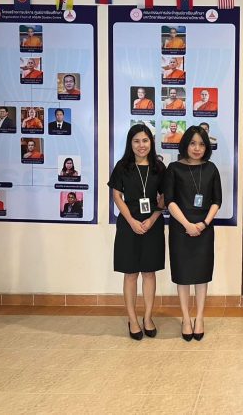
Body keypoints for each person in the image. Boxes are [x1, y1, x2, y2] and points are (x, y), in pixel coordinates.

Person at [108, 124, 167, 340]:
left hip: (152, 225)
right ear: (130, 144)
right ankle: (132, 320)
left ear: (151, 142)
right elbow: (116, 196)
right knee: (131, 273)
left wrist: (152, 219)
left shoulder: (159, 167)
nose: (141, 145)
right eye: (136, 141)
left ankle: (148, 317)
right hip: (128, 225)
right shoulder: (122, 166)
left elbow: (164, 198)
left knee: (149, 273)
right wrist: (132, 221)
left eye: (145, 140)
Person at [163, 125, 222, 341]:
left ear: (206, 147)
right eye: (193, 143)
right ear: (185, 144)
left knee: (201, 274)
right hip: (180, 228)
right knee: (183, 275)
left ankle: (200, 318)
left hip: (204, 228)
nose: (197, 148)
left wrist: (203, 224)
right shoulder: (173, 168)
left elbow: (217, 201)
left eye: (201, 144)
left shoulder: (211, 168)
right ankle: (186, 318)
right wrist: (187, 224)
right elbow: (169, 201)